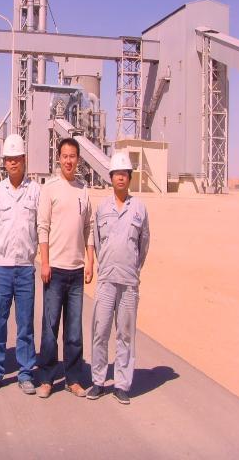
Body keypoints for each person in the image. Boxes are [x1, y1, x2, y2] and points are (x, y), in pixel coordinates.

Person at [87, 152, 150, 405]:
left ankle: (122, 384)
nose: (120, 178)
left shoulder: (139, 208)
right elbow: (96, 240)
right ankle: (98, 381)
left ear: (129, 178)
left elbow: (144, 244)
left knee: (125, 334)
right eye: (116, 174)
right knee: (100, 331)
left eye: (124, 174)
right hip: (106, 280)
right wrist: (104, 263)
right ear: (111, 178)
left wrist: (133, 267)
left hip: (129, 281)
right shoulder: (102, 208)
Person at [36, 138, 94, 399]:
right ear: (58, 158)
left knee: (74, 331)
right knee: (50, 328)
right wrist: (45, 261)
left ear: (78, 159)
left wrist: (90, 260)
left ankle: (73, 379)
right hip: (55, 270)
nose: (69, 161)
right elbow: (43, 226)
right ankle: (47, 378)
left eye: (73, 156)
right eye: (65, 156)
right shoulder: (50, 188)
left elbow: (88, 227)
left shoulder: (83, 190)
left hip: (76, 270)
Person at [0, 134, 40, 394]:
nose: (13, 162)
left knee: (25, 323)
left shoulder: (36, 191)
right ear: (4, 162)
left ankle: (26, 372)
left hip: (26, 267)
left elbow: (40, 227)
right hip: (3, 266)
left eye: (17, 158)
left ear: (24, 159)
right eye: (9, 159)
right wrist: (5, 247)